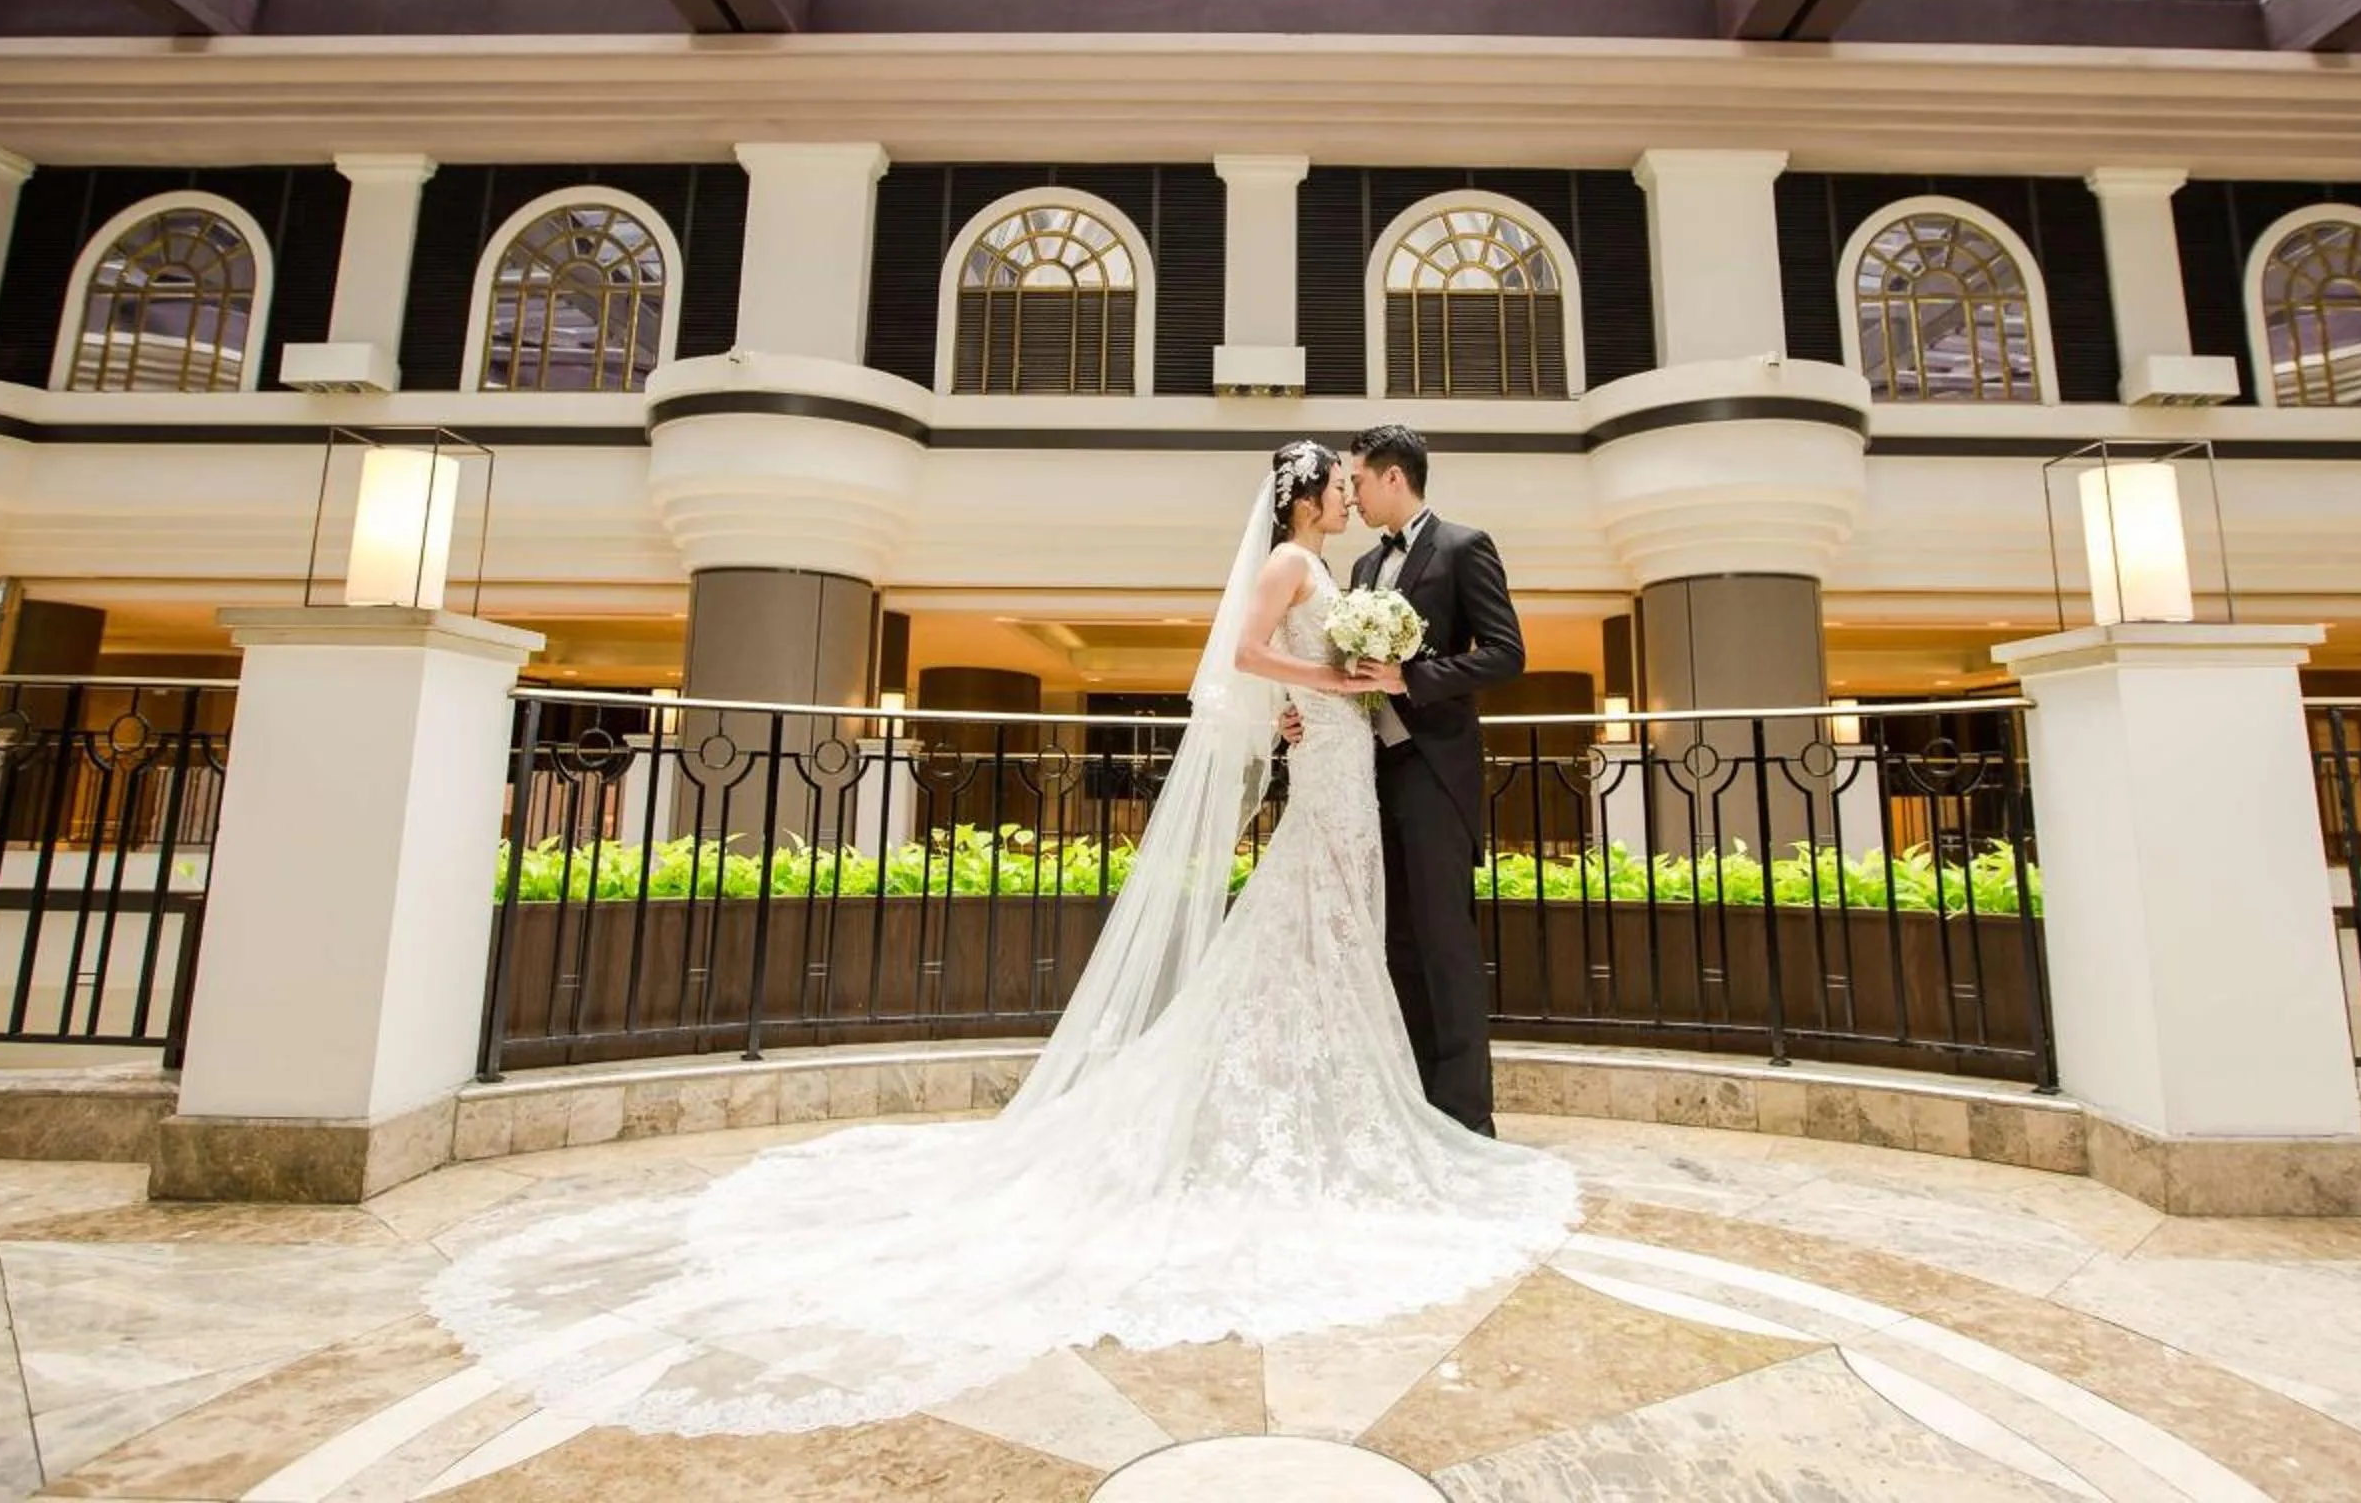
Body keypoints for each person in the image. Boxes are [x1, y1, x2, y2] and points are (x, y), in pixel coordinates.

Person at [421, 440, 1578, 1438]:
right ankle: (1319, 1107)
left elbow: (1382, 668)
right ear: (1305, 497)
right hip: (1329, 763)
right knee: (1302, 929)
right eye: (1330, 484)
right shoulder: (1293, 562)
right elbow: (1239, 654)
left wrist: (1336, 686)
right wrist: (1318, 676)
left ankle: (1355, 1098)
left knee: (1332, 932)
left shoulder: (1348, 566)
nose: (1341, 495)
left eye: (1346, 482)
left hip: (1347, 768)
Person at [1286, 423, 1524, 1136]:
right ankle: (1413, 1107)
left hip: (1433, 768)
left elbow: (1506, 654)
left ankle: (1467, 1121)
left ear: (1394, 478)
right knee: (1395, 945)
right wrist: (1297, 717)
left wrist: (1411, 678)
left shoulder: (1463, 547)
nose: (1350, 495)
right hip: (1368, 771)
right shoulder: (1359, 570)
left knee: (1445, 941)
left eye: (1357, 480)